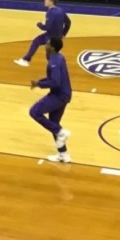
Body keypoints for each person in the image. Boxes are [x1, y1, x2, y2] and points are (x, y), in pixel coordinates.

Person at [28, 35, 73, 163]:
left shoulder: (54, 62)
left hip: (59, 95)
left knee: (34, 112)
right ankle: (64, 154)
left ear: (52, 47)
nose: (45, 45)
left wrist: (40, 84)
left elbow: (55, 82)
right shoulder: (59, 57)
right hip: (64, 94)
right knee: (53, 123)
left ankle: (61, 132)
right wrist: (39, 82)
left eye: (47, 43)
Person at [15, 0, 71, 67]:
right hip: (56, 36)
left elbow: (47, 27)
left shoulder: (50, 12)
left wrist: (39, 25)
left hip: (51, 37)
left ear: (51, 1)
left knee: (49, 56)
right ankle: (26, 60)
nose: (44, 1)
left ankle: (57, 67)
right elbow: (68, 22)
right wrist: (64, 34)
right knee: (36, 41)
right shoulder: (61, 10)